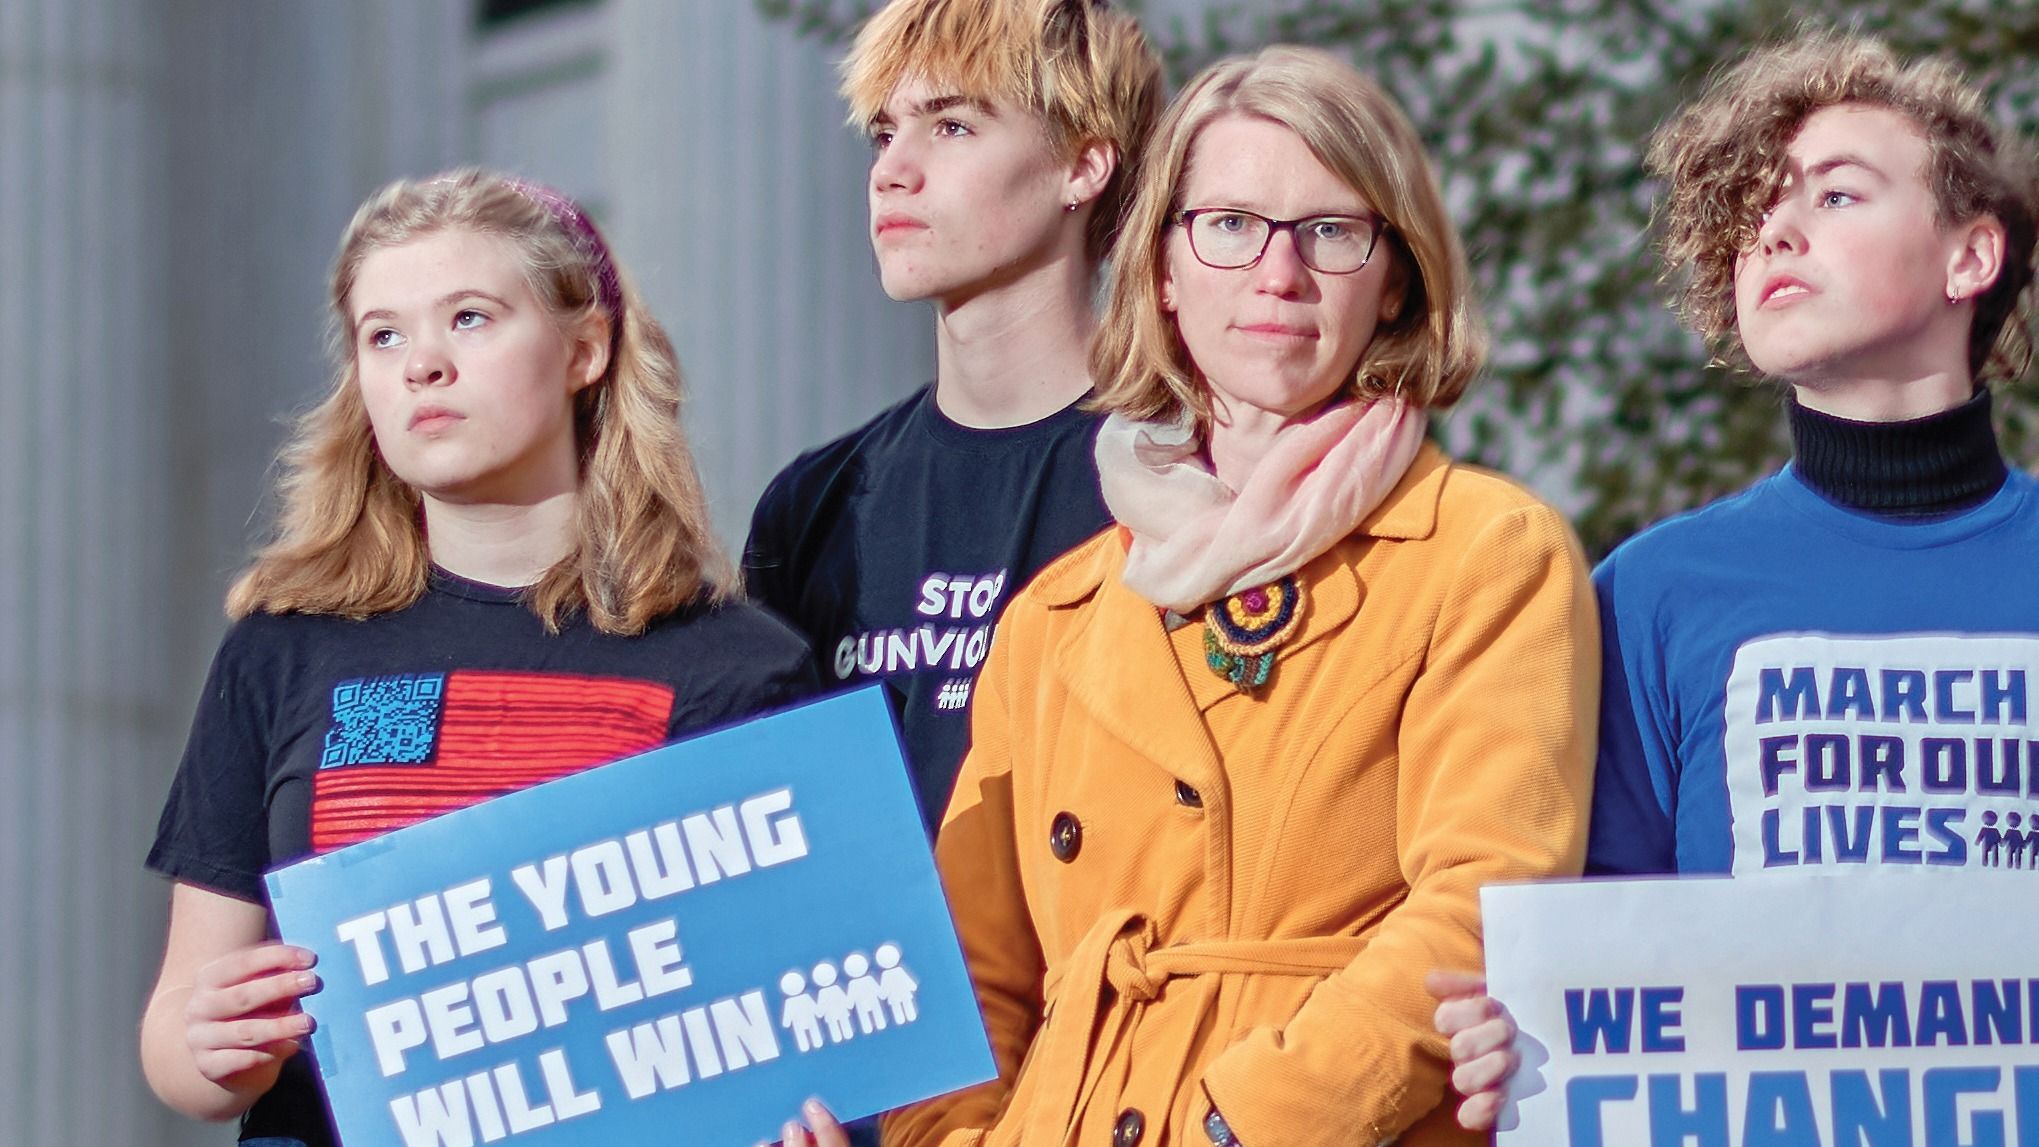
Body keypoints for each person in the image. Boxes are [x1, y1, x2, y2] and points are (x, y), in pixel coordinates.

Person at [869, 46, 1599, 1147]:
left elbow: (1480, 905)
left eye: (1330, 231)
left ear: (1393, 276)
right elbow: (967, 984)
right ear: (1162, 267)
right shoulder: (1055, 614)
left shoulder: (1484, 552)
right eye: (1228, 225)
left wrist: (1238, 1124)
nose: (1277, 275)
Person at [1430, 30, 2039, 1130]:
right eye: (1758, 210)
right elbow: (1597, 963)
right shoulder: (1651, 594)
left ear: (1968, 257)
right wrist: (1511, 1032)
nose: (1777, 229)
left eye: (1838, 195)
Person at [138, 170, 816, 1147]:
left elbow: (787, 1022)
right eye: (384, 334)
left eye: (468, 318)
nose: (422, 364)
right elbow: (178, 1031)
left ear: (585, 350)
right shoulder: (283, 649)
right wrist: (207, 1049)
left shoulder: (734, 666)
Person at [741, 0, 1163, 836]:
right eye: (883, 132)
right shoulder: (814, 504)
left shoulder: (1177, 472)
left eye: (953, 127)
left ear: (1083, 165)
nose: (892, 169)